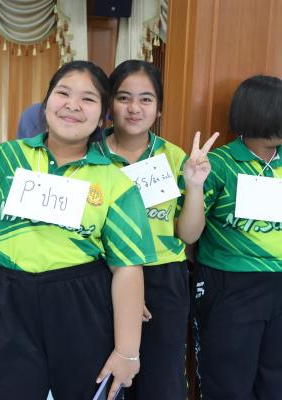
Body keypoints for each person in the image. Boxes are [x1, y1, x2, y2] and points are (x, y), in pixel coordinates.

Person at [0, 60, 158, 400]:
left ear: (103, 117)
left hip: (82, 304)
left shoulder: (115, 181)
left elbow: (127, 268)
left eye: (88, 99)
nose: (73, 105)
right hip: (10, 303)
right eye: (63, 93)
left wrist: (127, 352)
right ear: (45, 103)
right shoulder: (6, 158)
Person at [94, 59, 218, 400]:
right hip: (103, 273)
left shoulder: (173, 157)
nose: (134, 108)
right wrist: (126, 290)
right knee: (104, 378)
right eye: (124, 98)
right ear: (109, 104)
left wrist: (195, 185)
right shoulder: (92, 155)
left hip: (164, 278)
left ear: (159, 108)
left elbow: (188, 235)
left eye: (146, 99)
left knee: (161, 382)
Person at [177, 75, 282, 399]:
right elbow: (187, 234)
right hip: (229, 283)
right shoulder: (217, 164)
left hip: (278, 283)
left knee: (275, 383)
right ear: (261, 113)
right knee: (228, 383)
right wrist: (194, 186)